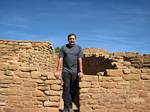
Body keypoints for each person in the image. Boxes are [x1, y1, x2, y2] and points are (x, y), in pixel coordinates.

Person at [54, 33, 84, 112]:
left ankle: (70, 104)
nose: (72, 40)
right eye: (70, 39)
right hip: (66, 70)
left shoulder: (79, 48)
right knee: (67, 88)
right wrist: (58, 71)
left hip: (75, 71)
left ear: (75, 39)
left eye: (73, 39)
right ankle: (66, 107)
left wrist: (81, 71)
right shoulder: (64, 47)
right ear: (68, 39)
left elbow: (80, 60)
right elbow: (60, 59)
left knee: (73, 89)